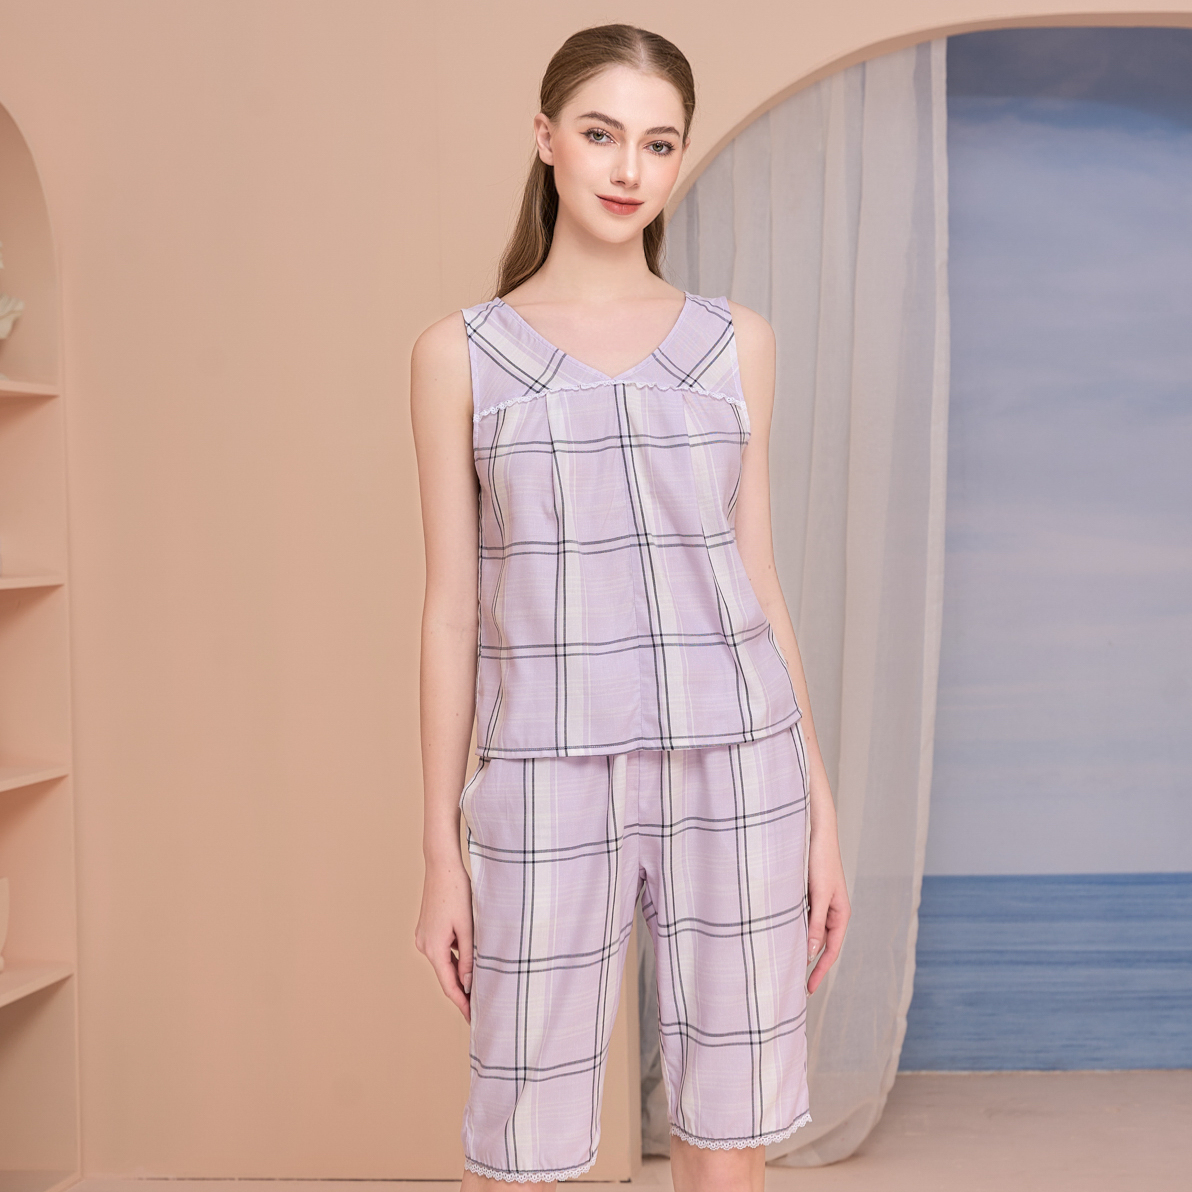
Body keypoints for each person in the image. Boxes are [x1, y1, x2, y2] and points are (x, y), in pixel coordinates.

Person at [411, 23, 850, 1190]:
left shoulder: (735, 344)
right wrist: (440, 853)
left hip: (738, 766)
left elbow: (756, 581)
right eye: (601, 133)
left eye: (657, 144)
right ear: (546, 138)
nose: (627, 168)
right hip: (543, 771)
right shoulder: (461, 355)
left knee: (730, 1119)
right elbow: (450, 613)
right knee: (523, 1132)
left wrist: (820, 811)